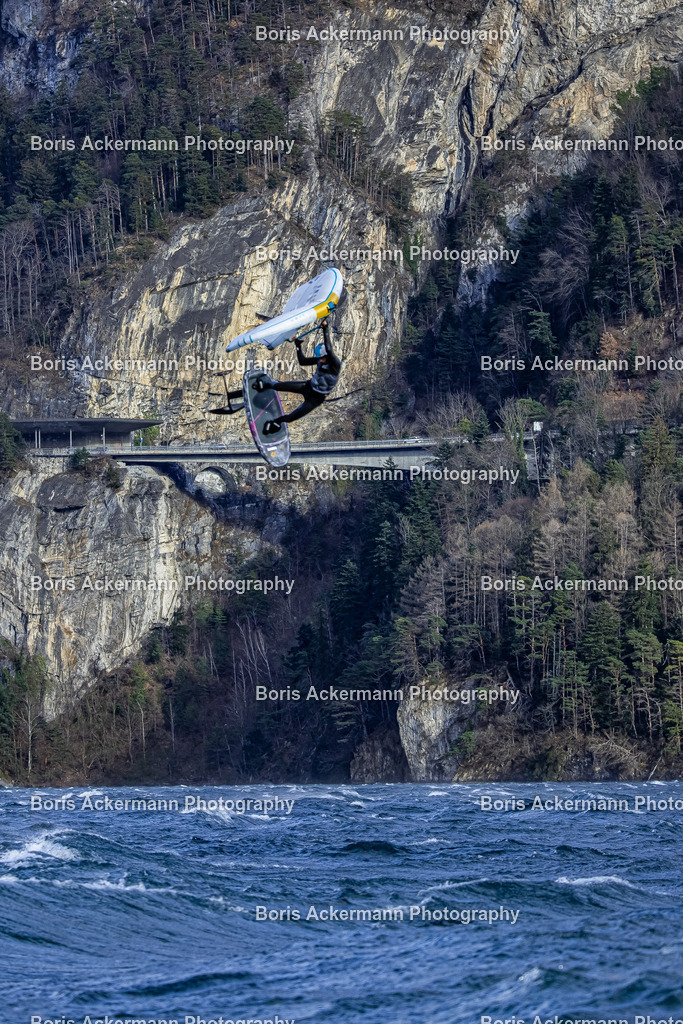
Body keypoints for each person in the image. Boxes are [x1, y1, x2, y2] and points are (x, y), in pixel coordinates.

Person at [259, 318, 341, 434]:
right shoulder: (319, 360)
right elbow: (302, 361)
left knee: (291, 417)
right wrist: (298, 346)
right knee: (279, 386)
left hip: (316, 399)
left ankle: (275, 422)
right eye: (319, 358)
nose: (320, 361)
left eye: (322, 358)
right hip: (307, 386)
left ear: (327, 356)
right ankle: (264, 385)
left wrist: (325, 328)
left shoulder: (335, 364)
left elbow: (329, 348)